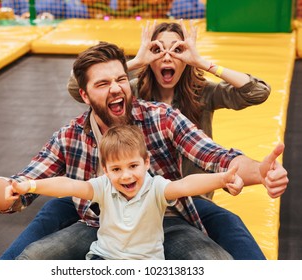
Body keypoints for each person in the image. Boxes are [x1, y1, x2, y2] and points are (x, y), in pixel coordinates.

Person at [0, 41, 288, 260]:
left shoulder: (161, 117)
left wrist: (260, 172)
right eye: (103, 84)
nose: (116, 89)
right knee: (34, 256)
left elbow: (216, 158)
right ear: (84, 95)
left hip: (166, 221)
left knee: (213, 261)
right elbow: (17, 191)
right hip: (97, 225)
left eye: (121, 79)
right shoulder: (71, 136)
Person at [67, 20, 272, 259]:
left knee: (229, 224)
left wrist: (201, 62)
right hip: (138, 194)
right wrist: (133, 63)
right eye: (158, 50)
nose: (166, 57)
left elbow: (258, 92)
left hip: (189, 195)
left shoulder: (202, 92)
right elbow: (78, 88)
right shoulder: (132, 91)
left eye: (177, 50)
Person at [6, 125, 244, 260]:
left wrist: (221, 178)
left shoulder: (156, 188)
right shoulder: (103, 187)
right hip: (104, 259)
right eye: (116, 169)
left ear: (146, 162)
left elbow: (187, 185)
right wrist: (32, 186)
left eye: (133, 166)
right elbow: (68, 185)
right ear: (106, 170)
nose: (126, 176)